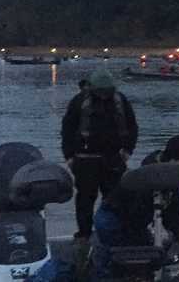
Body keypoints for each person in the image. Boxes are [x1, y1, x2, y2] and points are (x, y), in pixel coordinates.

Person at [92, 136, 179, 277]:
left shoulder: (171, 178)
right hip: (113, 217)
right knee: (121, 261)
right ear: (170, 159)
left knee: (145, 255)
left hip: (135, 220)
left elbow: (174, 218)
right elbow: (134, 215)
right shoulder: (148, 174)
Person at [60, 68, 138, 240]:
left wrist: (127, 151)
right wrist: (69, 157)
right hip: (84, 160)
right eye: (101, 92)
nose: (104, 95)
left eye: (107, 92)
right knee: (85, 201)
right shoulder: (79, 102)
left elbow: (132, 128)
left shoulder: (120, 101)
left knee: (115, 201)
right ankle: (84, 234)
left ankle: (113, 233)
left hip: (114, 159)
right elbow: (67, 129)